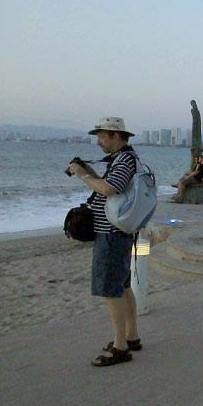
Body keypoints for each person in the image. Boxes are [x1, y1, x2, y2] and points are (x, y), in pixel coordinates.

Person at [67, 117, 140, 367]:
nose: (98, 142)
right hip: (117, 231)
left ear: (115, 135)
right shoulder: (123, 158)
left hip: (111, 233)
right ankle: (131, 337)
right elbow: (109, 185)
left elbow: (110, 189)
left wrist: (80, 176)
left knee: (112, 290)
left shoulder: (125, 159)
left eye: (101, 137)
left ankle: (120, 347)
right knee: (123, 286)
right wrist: (88, 172)